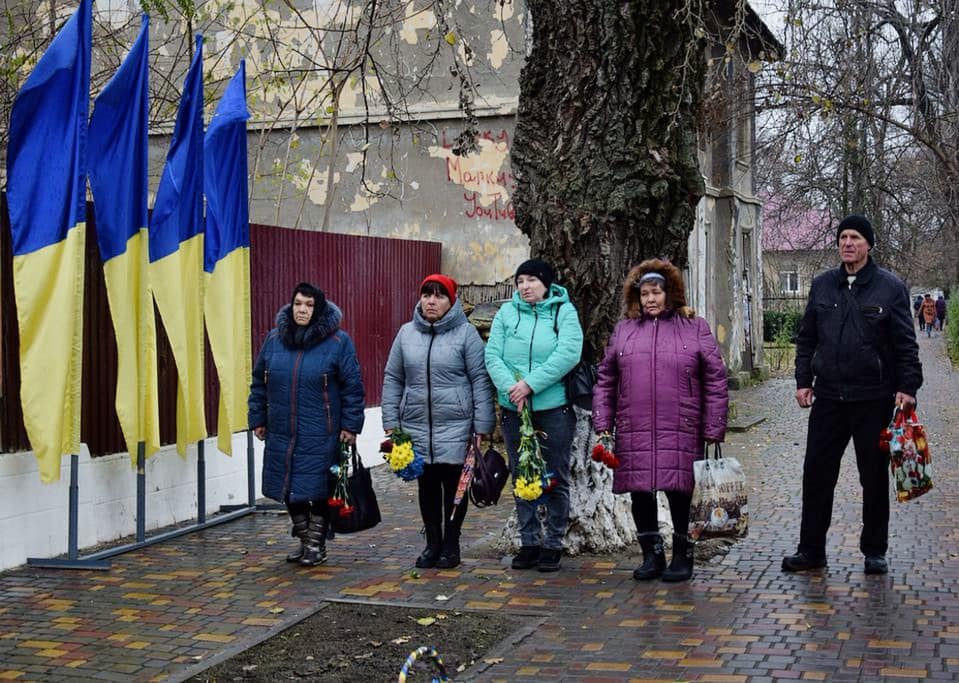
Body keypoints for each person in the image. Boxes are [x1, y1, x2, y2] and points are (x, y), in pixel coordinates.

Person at [783, 215, 922, 575]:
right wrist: (803, 381)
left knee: (873, 477)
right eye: (843, 237)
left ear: (868, 245)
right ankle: (811, 550)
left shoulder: (889, 287)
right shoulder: (823, 285)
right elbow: (807, 339)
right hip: (828, 398)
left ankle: (874, 550)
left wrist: (908, 388)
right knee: (816, 474)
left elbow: (905, 344)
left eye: (855, 237)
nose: (848, 243)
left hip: (873, 398)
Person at [592, 259, 728, 582]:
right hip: (633, 425)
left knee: (679, 492)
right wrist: (603, 422)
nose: (651, 299)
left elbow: (715, 378)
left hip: (680, 425)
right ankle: (651, 556)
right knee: (640, 492)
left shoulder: (694, 327)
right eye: (645, 294)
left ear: (670, 294)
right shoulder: (624, 331)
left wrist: (713, 427)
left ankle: (683, 555)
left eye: (657, 293)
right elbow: (606, 378)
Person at [381, 274, 495, 569]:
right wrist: (391, 420)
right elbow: (393, 378)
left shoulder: (466, 334)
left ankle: (451, 544)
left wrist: (482, 425)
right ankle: (432, 543)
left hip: (456, 425)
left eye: (439, 295)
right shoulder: (406, 334)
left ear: (452, 301)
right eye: (426, 295)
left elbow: (480, 380)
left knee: (454, 488)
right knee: (427, 487)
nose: (431, 301)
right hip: (417, 426)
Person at [249, 282, 366, 567]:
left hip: (322, 431)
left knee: (319, 489)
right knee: (289, 488)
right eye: (298, 303)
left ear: (319, 308)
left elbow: (353, 387)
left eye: (309, 305)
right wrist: (258, 419)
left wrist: (350, 426)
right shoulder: (274, 340)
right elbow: (258, 383)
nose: (302, 310)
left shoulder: (338, 342)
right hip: (281, 430)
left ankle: (315, 545)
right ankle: (306, 540)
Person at [485, 258, 583, 573]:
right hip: (515, 410)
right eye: (520, 281)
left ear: (546, 283)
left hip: (553, 408)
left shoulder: (563, 312)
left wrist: (530, 385)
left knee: (554, 475)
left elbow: (568, 354)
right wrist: (512, 389)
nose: (525, 287)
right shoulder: (507, 312)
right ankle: (529, 541)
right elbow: (492, 355)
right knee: (521, 474)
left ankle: (553, 543)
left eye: (532, 280)